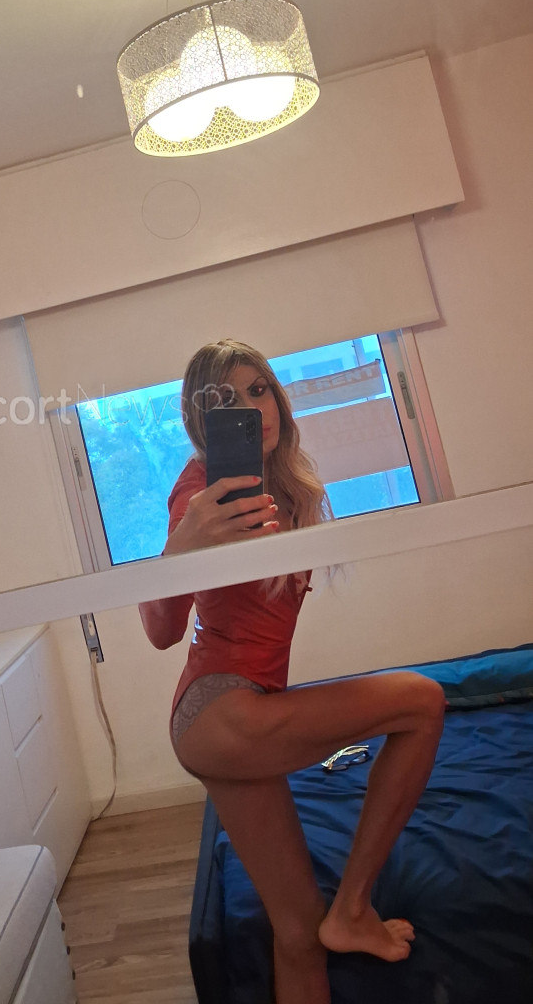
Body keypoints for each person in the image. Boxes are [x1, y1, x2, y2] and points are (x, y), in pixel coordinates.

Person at [139, 340, 445, 1004]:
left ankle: (339, 921)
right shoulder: (201, 490)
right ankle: (354, 906)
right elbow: (160, 631)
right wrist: (184, 542)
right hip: (218, 709)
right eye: (229, 400)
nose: (255, 409)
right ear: (201, 419)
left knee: (299, 933)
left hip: (236, 716)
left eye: (259, 390)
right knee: (421, 701)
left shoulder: (287, 486)